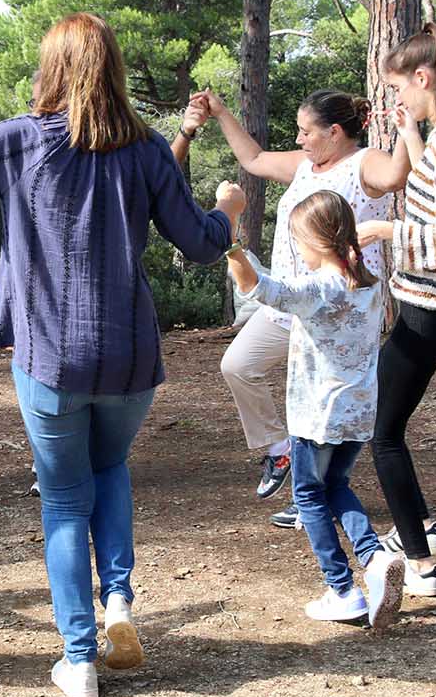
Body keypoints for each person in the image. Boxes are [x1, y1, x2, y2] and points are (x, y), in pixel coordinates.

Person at [0, 13, 242, 697]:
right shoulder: (142, 150)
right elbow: (202, 244)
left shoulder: (25, 140)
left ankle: (79, 657)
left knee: (62, 499)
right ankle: (118, 602)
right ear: (112, 70)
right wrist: (228, 210)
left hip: (50, 360)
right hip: (130, 362)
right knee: (109, 467)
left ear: (50, 70)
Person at [177, 87, 418, 526]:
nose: (301, 139)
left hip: (335, 310)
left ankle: (315, 494)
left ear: (336, 132)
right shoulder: (306, 164)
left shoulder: (364, 164)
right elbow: (253, 159)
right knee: (238, 365)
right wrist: (222, 111)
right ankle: (280, 450)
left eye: (307, 132)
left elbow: (398, 173)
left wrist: (407, 125)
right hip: (289, 301)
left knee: (318, 403)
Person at [223, 190, 406, 629]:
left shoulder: (317, 289)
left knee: (308, 495)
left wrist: (229, 231)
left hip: (317, 415)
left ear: (319, 241)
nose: (297, 251)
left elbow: (252, 286)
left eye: (298, 242)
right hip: (359, 411)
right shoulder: (370, 285)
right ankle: (374, 557)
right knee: (335, 485)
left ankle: (341, 589)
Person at [356, 23, 436, 597]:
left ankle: (421, 563)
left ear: (423, 77)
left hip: (433, 308)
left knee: (382, 432)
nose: (397, 100)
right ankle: (422, 538)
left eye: (399, 90)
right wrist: (408, 134)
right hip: (424, 306)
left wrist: (386, 229)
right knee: (385, 426)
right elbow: (434, 189)